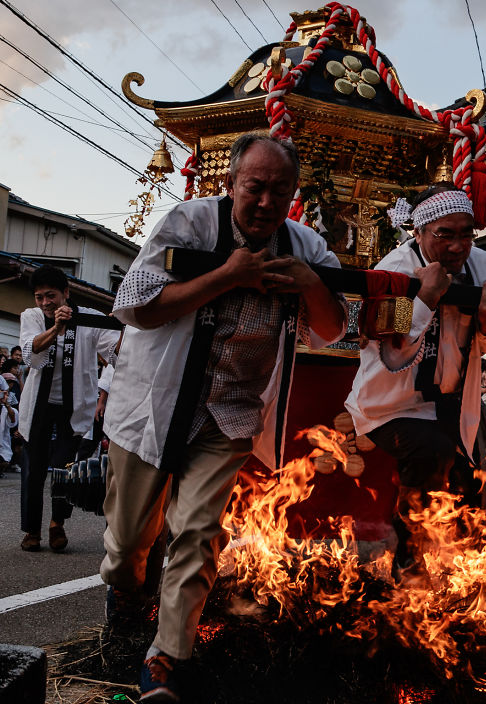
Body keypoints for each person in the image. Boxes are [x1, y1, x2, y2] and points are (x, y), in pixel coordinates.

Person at [100, 133, 347, 702]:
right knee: (130, 542)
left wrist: (311, 283)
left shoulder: (307, 246)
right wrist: (227, 276)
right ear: (230, 183)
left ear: (293, 194)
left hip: (231, 412)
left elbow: (336, 329)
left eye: (279, 191)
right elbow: (133, 306)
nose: (265, 201)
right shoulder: (187, 224)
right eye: (254, 187)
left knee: (198, 532)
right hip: (155, 403)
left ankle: (165, 661)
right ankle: (125, 592)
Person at [345, 184, 486, 572]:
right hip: (389, 404)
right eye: (445, 235)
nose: (458, 246)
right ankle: (408, 565)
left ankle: (461, 575)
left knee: (479, 479)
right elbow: (393, 353)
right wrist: (423, 300)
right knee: (432, 452)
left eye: (466, 234)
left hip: (457, 405)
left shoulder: (485, 266)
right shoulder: (394, 270)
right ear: (419, 233)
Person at [18, 265, 120, 553]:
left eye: (51, 295)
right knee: (33, 469)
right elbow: (30, 352)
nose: (45, 303)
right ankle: (32, 530)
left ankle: (56, 524)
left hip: (73, 407)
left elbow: (116, 352)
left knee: (65, 468)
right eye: (39, 297)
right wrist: (56, 328)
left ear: (66, 292)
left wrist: (125, 328)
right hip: (38, 406)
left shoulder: (88, 318)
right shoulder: (32, 317)